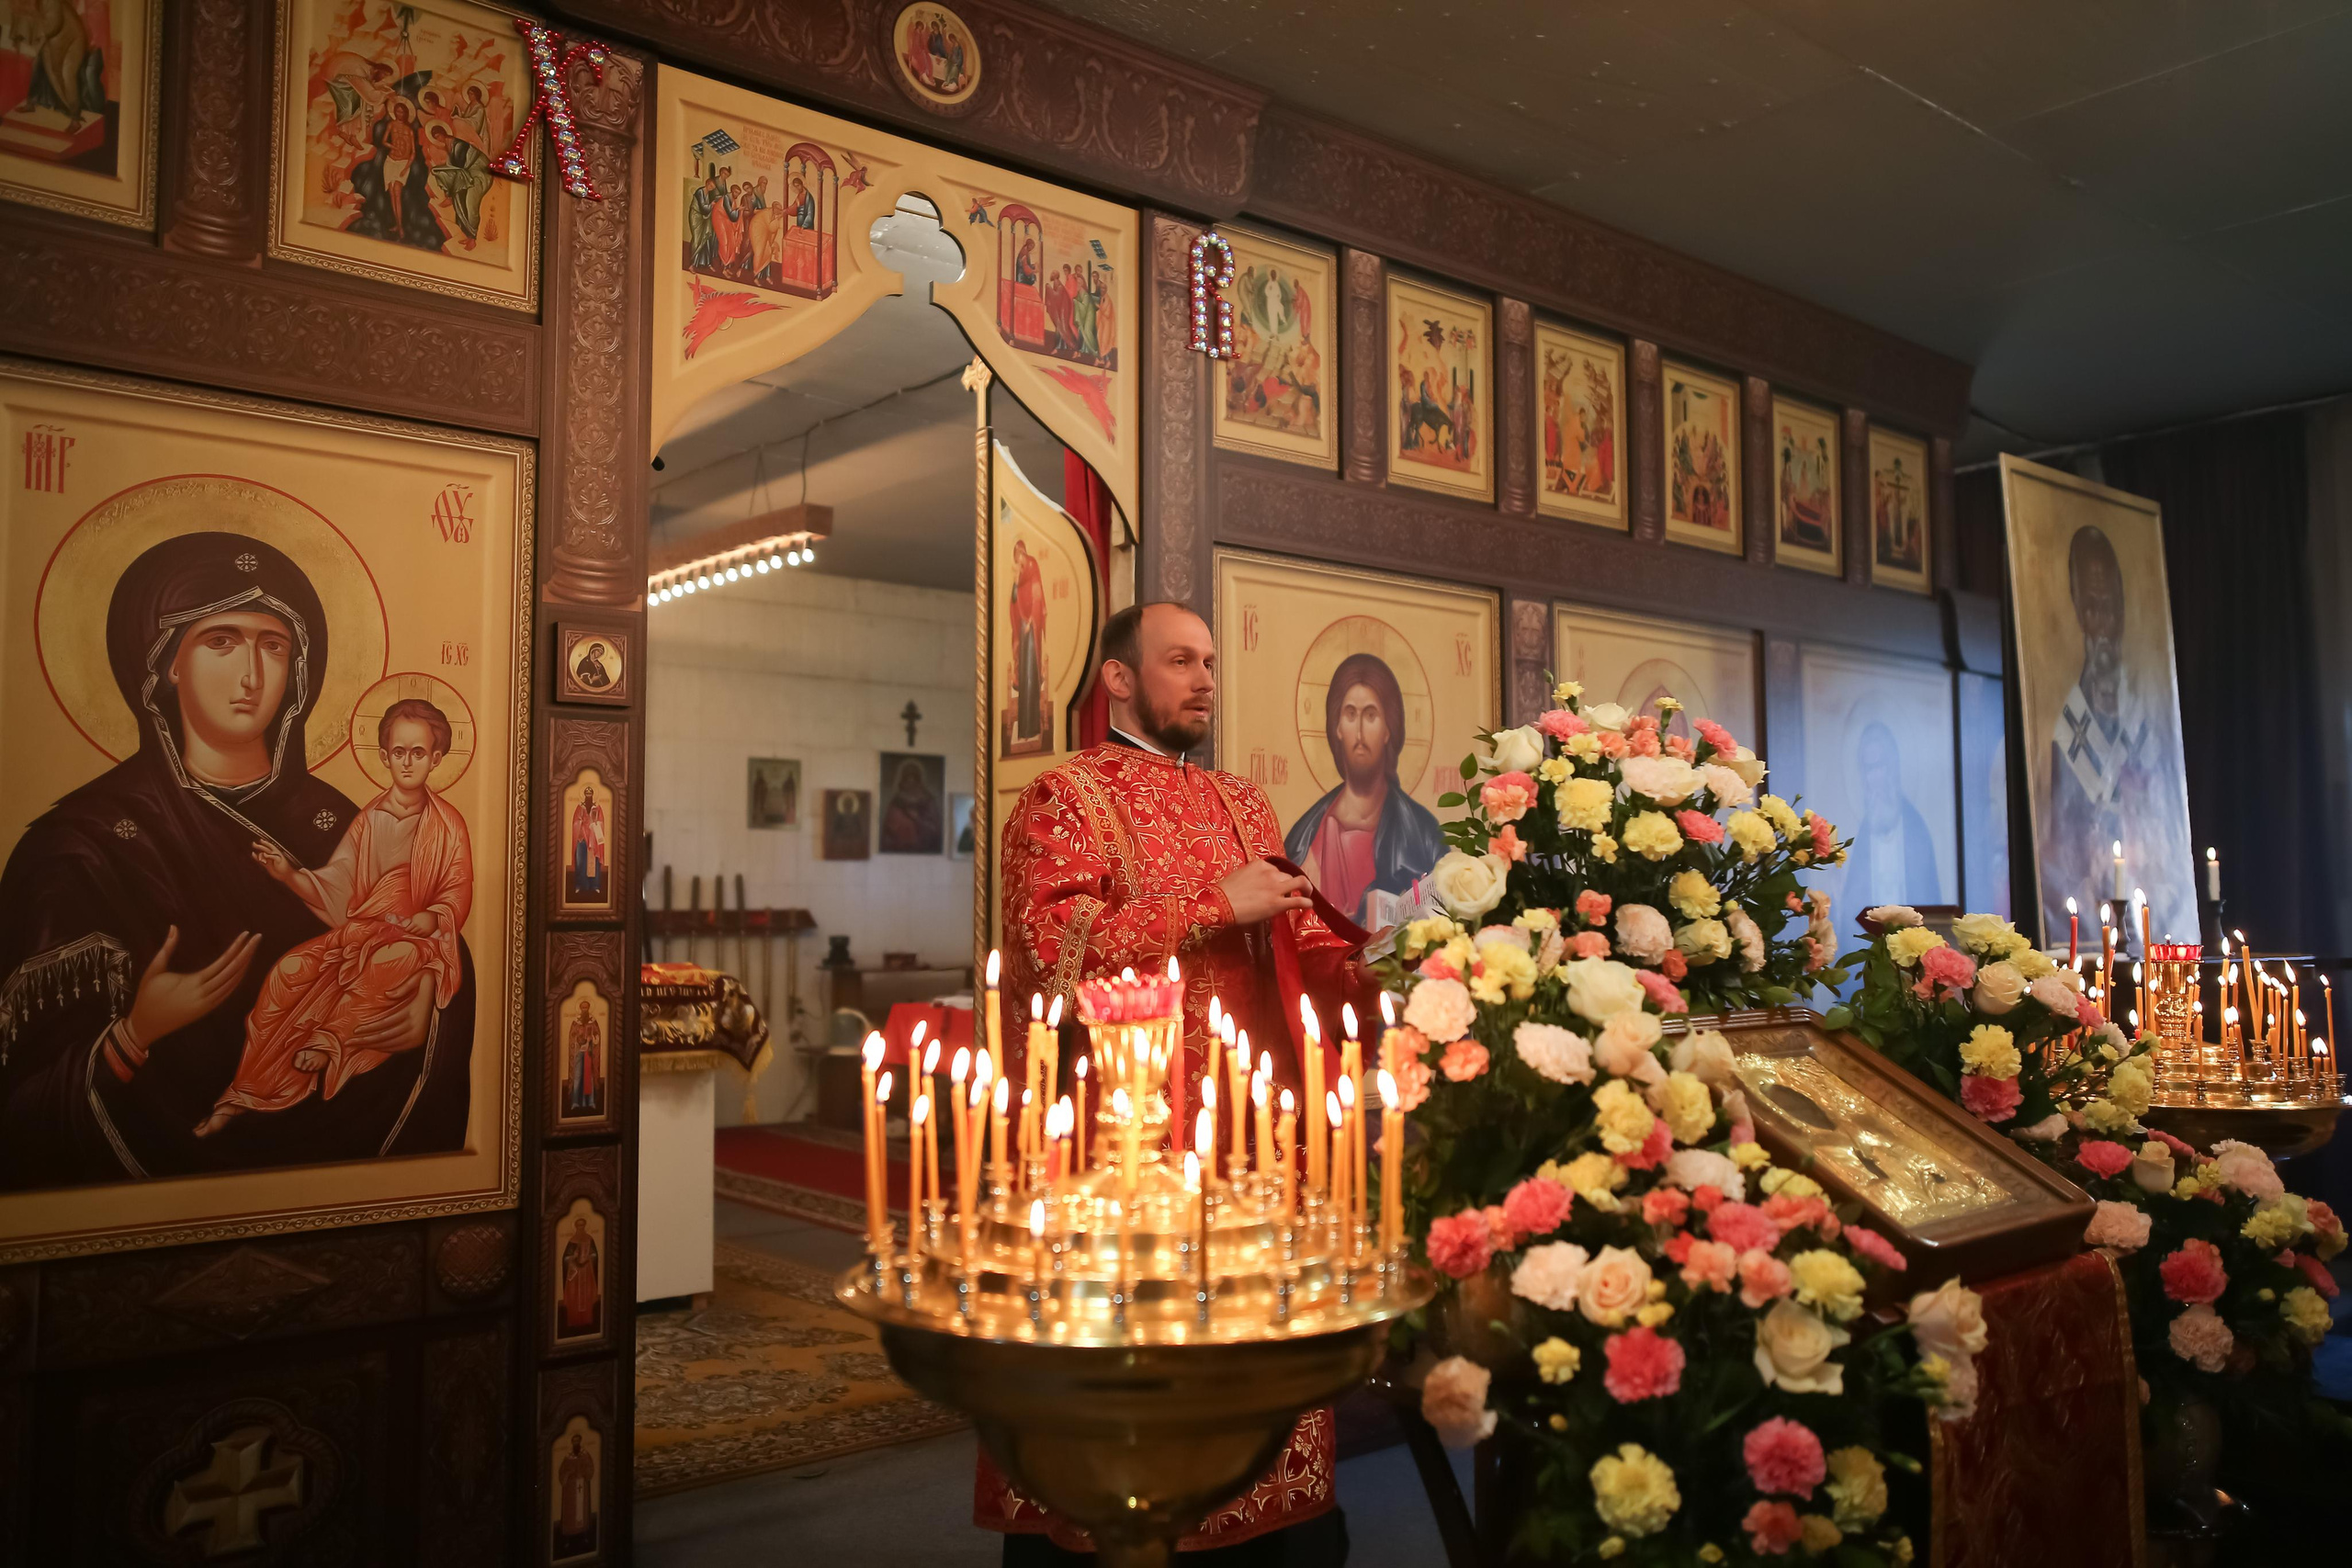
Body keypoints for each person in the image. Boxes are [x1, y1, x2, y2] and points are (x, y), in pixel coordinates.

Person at [988, 602, 1365, 1564]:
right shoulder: (1063, 798)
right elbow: (1046, 955)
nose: (1204, 678)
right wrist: (1210, 904)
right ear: (1117, 679)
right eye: (1178, 661)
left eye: (1208, 661)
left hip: (1253, 1128)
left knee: (1262, 1350)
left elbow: (1300, 931)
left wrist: (1406, 964)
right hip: (1130, 1134)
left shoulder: (1243, 803)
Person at [0, 533, 472, 1190]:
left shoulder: (339, 817)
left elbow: (420, 920)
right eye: (220, 641)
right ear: (165, 662)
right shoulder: (81, 846)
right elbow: (24, 1100)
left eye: (273, 645)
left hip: (343, 1189)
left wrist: (425, 1003)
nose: (251, 675)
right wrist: (136, 1031)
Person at [196, 698, 473, 1135]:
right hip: (362, 930)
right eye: (398, 752)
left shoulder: (447, 824)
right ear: (384, 757)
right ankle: (245, 1090)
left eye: (418, 753)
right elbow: (337, 888)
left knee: (384, 966)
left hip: (416, 942)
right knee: (289, 971)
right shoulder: (369, 820)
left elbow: (457, 887)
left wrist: (435, 917)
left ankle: (331, 1043)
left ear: (436, 759)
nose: (407, 762)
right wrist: (288, 876)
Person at [2041, 525, 2192, 936]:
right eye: (2091, 607)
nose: (2103, 623)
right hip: (2096, 933)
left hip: (2158, 923)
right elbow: (2060, 862)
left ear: (2123, 607)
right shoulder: (2069, 731)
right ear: (2077, 611)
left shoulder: (2148, 717)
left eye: (2110, 606)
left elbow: (2168, 835)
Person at [1283, 652, 1446, 928]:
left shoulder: (1423, 831)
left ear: (1387, 729)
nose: (1359, 732)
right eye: (1350, 714)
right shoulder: (1305, 838)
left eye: (1370, 715)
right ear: (1337, 727)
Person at [1841, 721, 1940, 910]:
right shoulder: (1864, 833)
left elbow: (1926, 891)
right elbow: (1853, 902)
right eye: (1869, 769)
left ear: (1893, 767)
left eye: (1880, 766)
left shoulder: (1915, 826)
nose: (1876, 777)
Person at [559, 1214, 601, 1337]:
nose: (581, 1228)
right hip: (575, 1273)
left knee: (587, 1295)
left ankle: (587, 1320)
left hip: (587, 1272)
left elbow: (595, 1255)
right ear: (576, 1226)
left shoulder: (589, 1239)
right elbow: (565, 1258)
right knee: (574, 1296)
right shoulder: (572, 1240)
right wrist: (573, 1257)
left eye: (583, 1225)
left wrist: (589, 1257)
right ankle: (573, 1322)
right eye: (579, 1225)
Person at [569, 783, 607, 902]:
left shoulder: (598, 808)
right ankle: (581, 885)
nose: (588, 796)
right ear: (584, 795)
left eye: (590, 794)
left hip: (593, 839)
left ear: (593, 795)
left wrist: (595, 825)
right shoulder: (580, 808)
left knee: (594, 862)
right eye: (587, 794)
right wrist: (581, 824)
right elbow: (575, 822)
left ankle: (595, 885)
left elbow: (601, 822)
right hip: (582, 838)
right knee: (581, 862)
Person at [565, 995, 603, 1117]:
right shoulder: (576, 1022)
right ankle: (575, 1102)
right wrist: (578, 1038)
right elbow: (572, 1037)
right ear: (580, 1009)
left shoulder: (593, 1021)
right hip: (578, 1052)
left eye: (587, 1008)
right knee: (577, 1076)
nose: (585, 1010)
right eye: (583, 1008)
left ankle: (590, 1102)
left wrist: (592, 1038)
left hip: (589, 1053)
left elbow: (598, 1036)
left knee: (589, 1077)